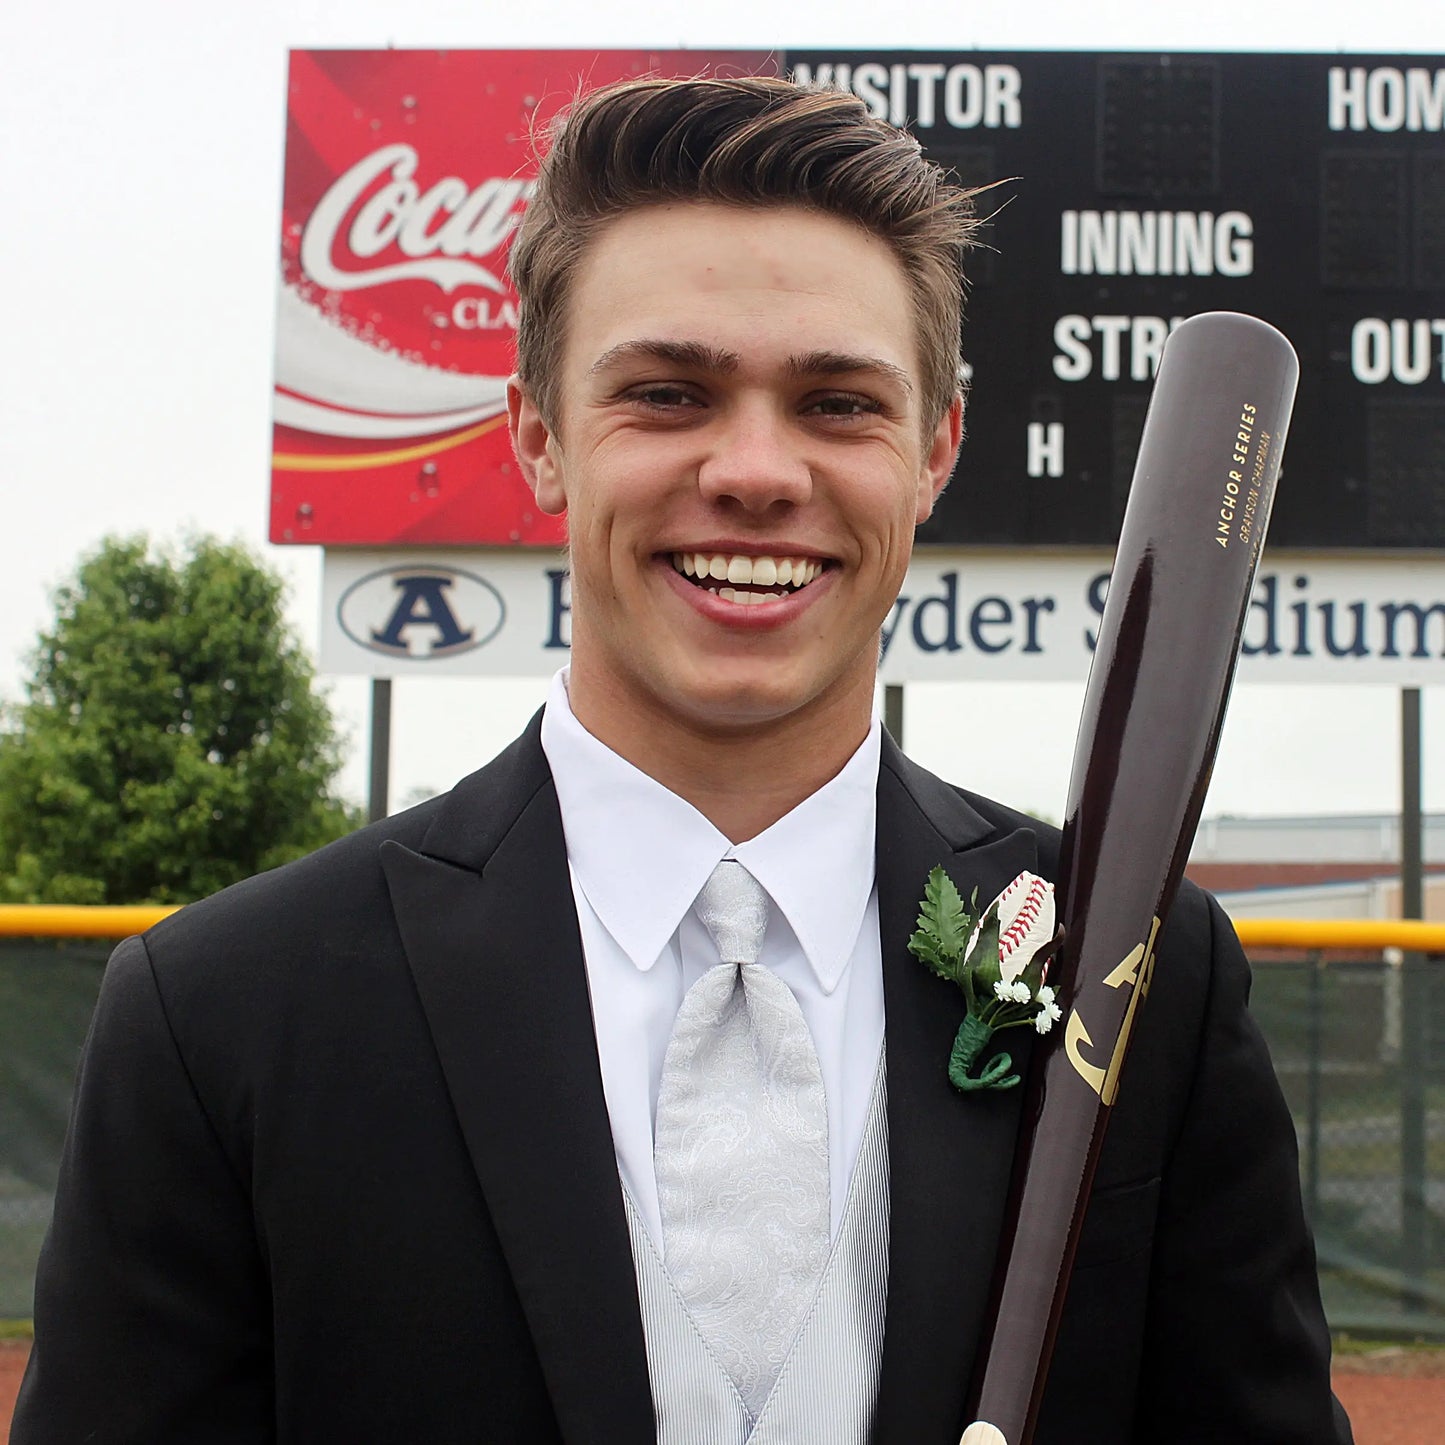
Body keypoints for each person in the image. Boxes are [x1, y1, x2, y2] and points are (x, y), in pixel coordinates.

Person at [15, 76, 1350, 1444]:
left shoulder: (1141, 972)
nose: (758, 469)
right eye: (666, 392)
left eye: (837, 403)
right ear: (538, 432)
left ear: (933, 450)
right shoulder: (225, 1012)